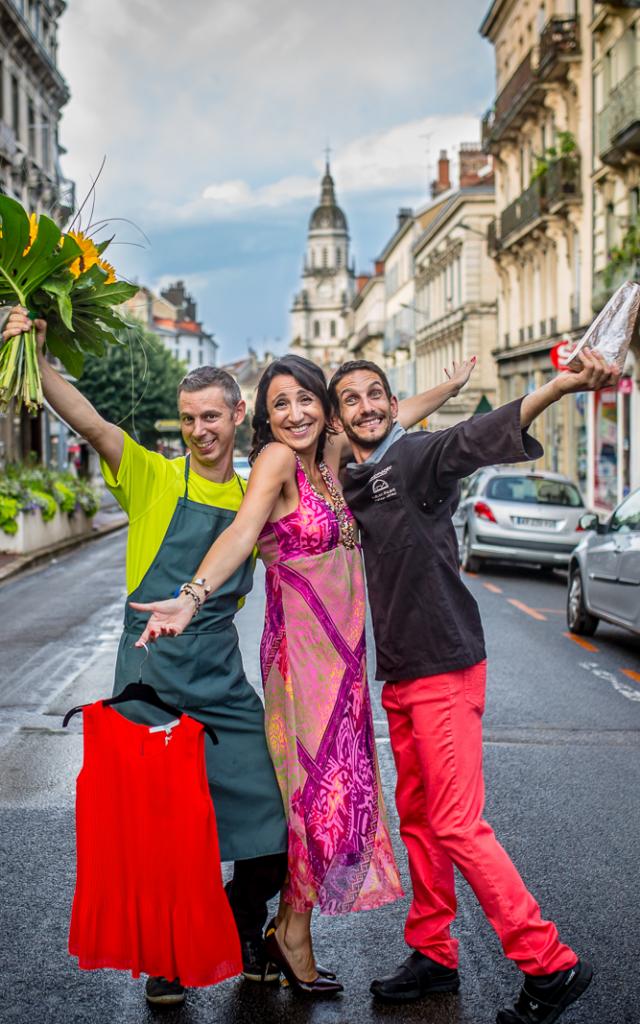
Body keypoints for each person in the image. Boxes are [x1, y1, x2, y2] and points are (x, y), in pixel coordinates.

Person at [130, 352, 476, 996]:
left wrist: (449, 388)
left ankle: (289, 927)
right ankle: (289, 934)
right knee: (315, 801)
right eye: (279, 404)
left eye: (305, 401)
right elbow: (241, 532)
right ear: (265, 417)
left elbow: (388, 420)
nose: (294, 414)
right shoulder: (278, 462)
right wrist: (192, 593)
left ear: (325, 406)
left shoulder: (331, 458)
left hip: (346, 665)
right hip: (301, 668)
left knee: (333, 800)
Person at [1, 306, 290, 1007]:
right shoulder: (151, 477)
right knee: (162, 839)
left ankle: (240, 927)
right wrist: (36, 358)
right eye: (188, 418)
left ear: (236, 414)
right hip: (148, 686)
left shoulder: (258, 492)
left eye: (211, 418)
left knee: (272, 830)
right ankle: (167, 958)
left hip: (221, 684)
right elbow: (91, 422)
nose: (199, 431)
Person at [327, 352, 619, 1024]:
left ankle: (550, 964)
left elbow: (472, 435)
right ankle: (433, 951)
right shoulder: (357, 478)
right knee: (422, 822)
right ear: (341, 417)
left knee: (457, 823)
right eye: (352, 399)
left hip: (444, 667)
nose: (367, 406)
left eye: (378, 395)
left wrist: (562, 384)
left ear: (394, 407)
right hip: (400, 673)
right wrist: (441, 387)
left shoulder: (418, 459)